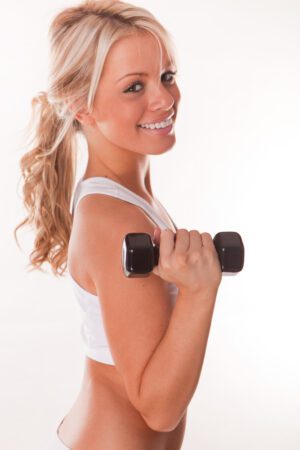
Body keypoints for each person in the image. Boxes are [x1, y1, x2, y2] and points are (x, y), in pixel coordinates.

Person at [14, 1, 222, 448]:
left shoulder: (129, 198)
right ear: (82, 107)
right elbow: (159, 409)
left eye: (166, 77)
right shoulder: (116, 219)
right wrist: (199, 290)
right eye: (134, 87)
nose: (164, 98)